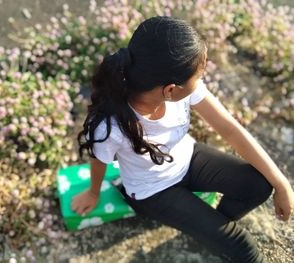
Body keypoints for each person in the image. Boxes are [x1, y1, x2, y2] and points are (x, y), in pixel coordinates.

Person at [71, 16, 294, 262]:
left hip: (188, 158)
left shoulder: (180, 86)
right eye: (197, 76)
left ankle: (207, 230)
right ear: (170, 90)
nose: (200, 82)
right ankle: (209, 231)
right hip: (152, 191)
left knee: (259, 185)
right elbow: (98, 159)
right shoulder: (109, 125)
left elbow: (230, 129)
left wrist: (281, 183)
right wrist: (93, 193)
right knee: (243, 247)